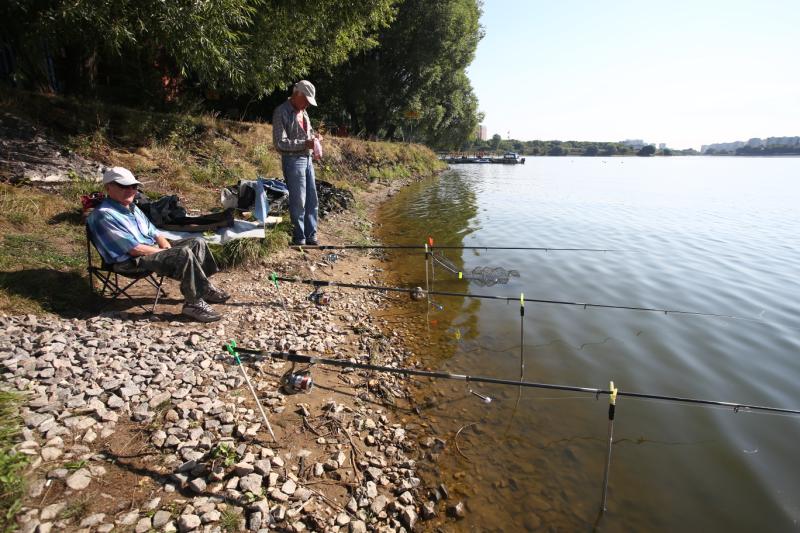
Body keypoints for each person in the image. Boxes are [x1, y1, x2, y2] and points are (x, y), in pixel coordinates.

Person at [87, 167, 230, 322]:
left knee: (197, 242)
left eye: (133, 186)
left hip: (148, 249)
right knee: (182, 253)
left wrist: (165, 245)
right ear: (108, 187)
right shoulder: (104, 215)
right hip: (128, 262)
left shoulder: (132, 207)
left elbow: (154, 231)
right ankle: (193, 304)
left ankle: (203, 288)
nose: (130, 190)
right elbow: (134, 249)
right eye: (123, 186)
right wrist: (165, 251)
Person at [272, 80, 323, 245]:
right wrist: (304, 144)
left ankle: (311, 235)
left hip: (307, 159)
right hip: (293, 160)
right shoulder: (281, 111)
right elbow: (280, 143)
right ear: (297, 94)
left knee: (312, 199)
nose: (308, 104)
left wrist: (315, 138)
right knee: (298, 200)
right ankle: (299, 237)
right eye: (306, 100)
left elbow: (308, 133)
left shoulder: (304, 112)